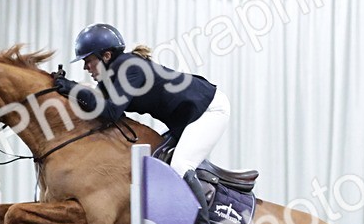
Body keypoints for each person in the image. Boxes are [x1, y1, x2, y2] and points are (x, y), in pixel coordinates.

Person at [53, 23, 231, 196]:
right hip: (187, 116)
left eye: (88, 60)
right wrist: (64, 91)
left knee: (180, 166)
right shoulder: (110, 76)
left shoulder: (129, 68)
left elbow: (111, 112)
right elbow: (95, 106)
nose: (85, 67)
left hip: (209, 110)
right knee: (157, 161)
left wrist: (73, 88)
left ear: (106, 56)